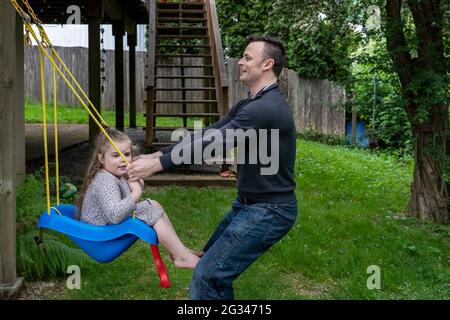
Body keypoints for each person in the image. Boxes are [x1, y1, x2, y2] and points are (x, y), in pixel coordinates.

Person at [127, 35, 297, 299]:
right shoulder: (249, 105)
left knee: (207, 277)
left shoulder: (266, 108)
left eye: (247, 57)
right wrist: (158, 154)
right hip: (249, 205)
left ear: (268, 64)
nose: (241, 62)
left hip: (269, 210)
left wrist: (159, 165)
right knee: (211, 271)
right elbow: (207, 134)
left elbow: (213, 145)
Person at [75, 128, 200, 269]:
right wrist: (136, 193)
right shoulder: (105, 180)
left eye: (127, 154)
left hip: (107, 224)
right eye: (116, 155)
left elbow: (122, 204)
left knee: (153, 204)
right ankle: (183, 257)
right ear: (101, 158)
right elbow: (115, 215)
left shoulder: (115, 175)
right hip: (100, 235)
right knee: (149, 210)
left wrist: (137, 183)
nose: (123, 160)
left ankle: (180, 250)